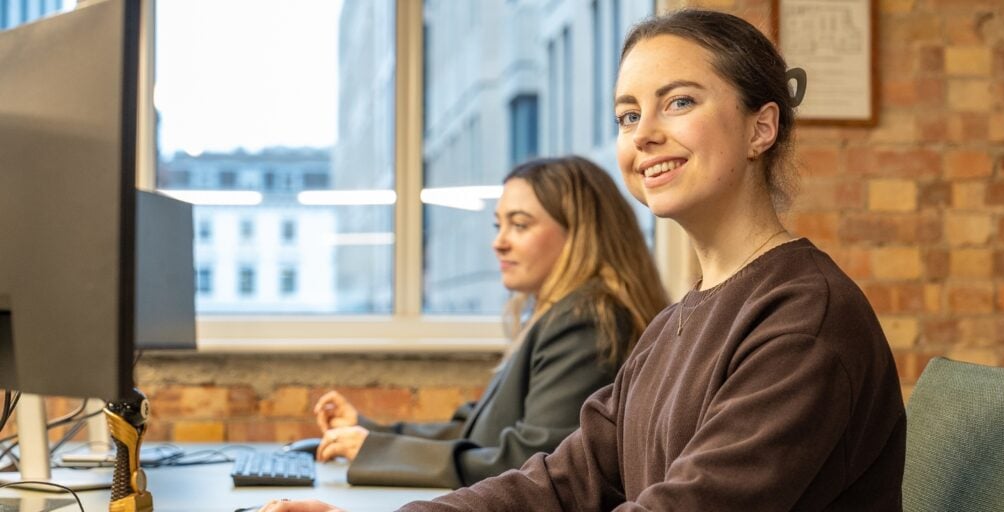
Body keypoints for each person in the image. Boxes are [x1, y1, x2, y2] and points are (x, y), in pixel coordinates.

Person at [262, 8, 905, 512]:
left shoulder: (802, 320)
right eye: (628, 114)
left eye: (678, 102)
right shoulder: (676, 322)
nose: (643, 133)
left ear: (761, 128)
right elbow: (566, 481)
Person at [307, 156, 667, 490]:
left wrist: (377, 450)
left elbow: (532, 462)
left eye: (520, 225)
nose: (498, 243)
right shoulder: (562, 314)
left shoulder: (587, 320)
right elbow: (478, 432)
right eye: (499, 225)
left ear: (581, 236)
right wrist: (367, 433)